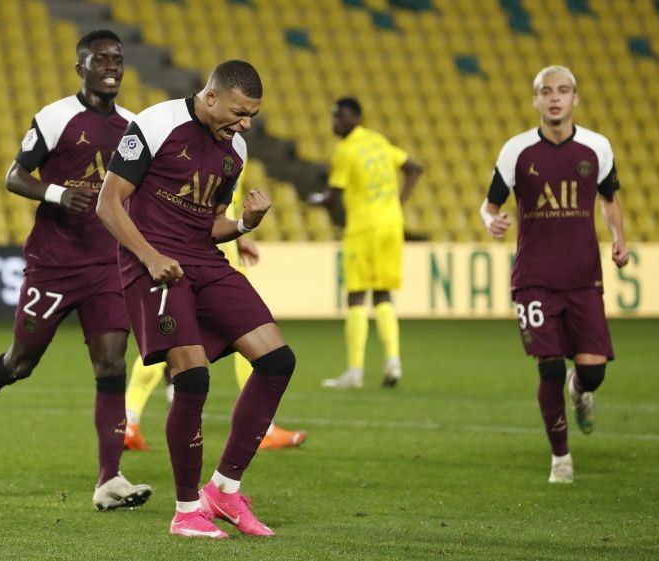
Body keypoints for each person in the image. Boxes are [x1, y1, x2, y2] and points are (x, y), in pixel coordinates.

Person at [0, 30, 152, 510]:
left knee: (112, 362)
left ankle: (109, 480)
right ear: (81, 68)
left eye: (118, 59)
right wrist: (56, 193)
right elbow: (15, 176)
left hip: (107, 263)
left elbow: (142, 192)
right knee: (21, 362)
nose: (112, 67)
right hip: (54, 264)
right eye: (101, 60)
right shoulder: (56, 118)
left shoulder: (135, 127)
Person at [97, 60, 296, 539]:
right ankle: (186, 510)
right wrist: (148, 257)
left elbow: (210, 223)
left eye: (251, 115)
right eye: (238, 112)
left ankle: (224, 491)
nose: (244, 123)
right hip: (153, 266)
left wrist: (247, 224)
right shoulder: (154, 124)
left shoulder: (236, 148)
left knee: (277, 360)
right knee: (192, 378)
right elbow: (109, 202)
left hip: (204, 260)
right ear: (210, 97)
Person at [479, 65, 629, 484]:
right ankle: (560, 458)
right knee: (546, 367)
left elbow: (609, 198)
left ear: (576, 98)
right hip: (534, 278)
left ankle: (579, 390)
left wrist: (619, 237)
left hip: (583, 277)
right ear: (536, 100)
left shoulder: (597, 147)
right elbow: (489, 204)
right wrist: (488, 221)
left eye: (563, 91)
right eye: (547, 92)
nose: (555, 98)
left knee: (594, 371)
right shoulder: (517, 150)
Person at [123, 231, 307, 451]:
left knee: (173, 342)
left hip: (203, 259)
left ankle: (129, 421)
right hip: (207, 264)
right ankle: (262, 430)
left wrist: (238, 238)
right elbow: (204, 211)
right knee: (251, 340)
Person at [308, 97, 423, 389]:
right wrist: (398, 203)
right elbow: (414, 168)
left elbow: (334, 196)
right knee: (383, 294)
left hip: (363, 227)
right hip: (391, 224)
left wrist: (316, 199)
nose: (335, 122)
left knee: (357, 295)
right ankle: (393, 362)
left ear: (356, 118)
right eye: (333, 116)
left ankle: (355, 371)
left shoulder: (345, 150)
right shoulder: (379, 141)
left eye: (340, 117)